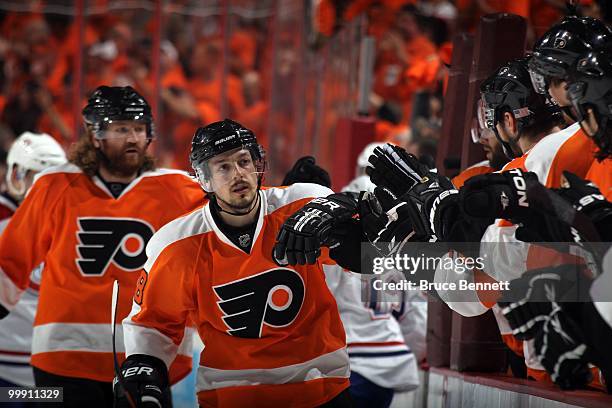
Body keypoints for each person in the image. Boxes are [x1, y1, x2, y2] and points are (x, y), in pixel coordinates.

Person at [118, 119, 356, 407]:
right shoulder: (175, 245)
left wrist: (356, 226)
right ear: (205, 179)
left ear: (258, 164)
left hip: (320, 388)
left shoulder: (303, 205)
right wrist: (146, 368)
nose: (238, 174)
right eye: (223, 167)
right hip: (232, 396)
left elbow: (371, 261)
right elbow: (153, 323)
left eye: (244, 161)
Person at [0, 86, 204, 407]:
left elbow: (237, 206)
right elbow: (11, 260)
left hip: (146, 360)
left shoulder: (180, 189)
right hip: (63, 358)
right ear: (96, 136)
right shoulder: (54, 185)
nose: (134, 138)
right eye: (122, 129)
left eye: (139, 129)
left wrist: (292, 199)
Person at [0, 132, 66, 391]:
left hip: (49, 366)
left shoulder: (68, 222)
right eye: (38, 178)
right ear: (17, 175)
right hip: (8, 367)